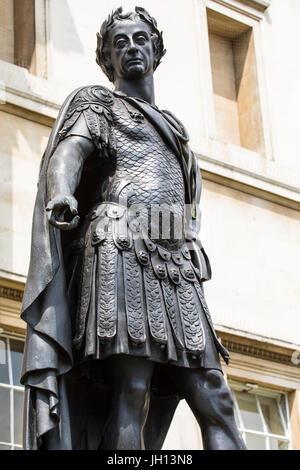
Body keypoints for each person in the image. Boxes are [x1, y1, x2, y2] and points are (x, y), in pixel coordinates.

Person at [21, 6, 246, 450]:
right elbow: (69, 152)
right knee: (134, 388)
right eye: (118, 43)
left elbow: (186, 202)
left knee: (214, 393)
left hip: (176, 259)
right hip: (120, 246)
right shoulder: (97, 103)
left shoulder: (176, 130)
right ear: (107, 60)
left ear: (157, 50)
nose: (131, 48)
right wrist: (61, 192)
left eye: (140, 39)